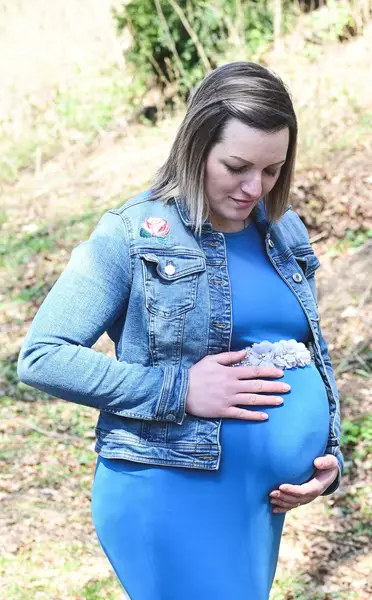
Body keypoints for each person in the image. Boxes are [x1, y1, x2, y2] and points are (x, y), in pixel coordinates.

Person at [18, 61, 343, 600]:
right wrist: (180, 388)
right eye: (236, 165)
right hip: (167, 492)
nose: (253, 187)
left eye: (271, 170)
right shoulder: (131, 233)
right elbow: (43, 356)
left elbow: (310, 352)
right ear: (196, 146)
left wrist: (327, 456)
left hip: (256, 505)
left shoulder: (283, 231)